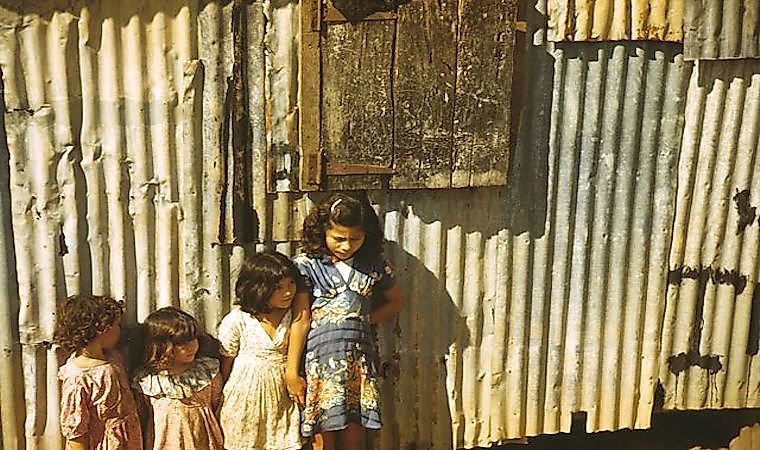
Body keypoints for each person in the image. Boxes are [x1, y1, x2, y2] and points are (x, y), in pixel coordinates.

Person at [287, 193, 405, 450]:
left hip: (357, 364)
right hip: (319, 364)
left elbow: (396, 301)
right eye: (338, 238)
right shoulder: (307, 266)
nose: (346, 245)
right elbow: (301, 318)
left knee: (354, 433)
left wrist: (361, 321)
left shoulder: (374, 266)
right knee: (322, 436)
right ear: (322, 232)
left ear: (366, 236)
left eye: (355, 239)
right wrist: (291, 371)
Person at [217, 251, 303, 450]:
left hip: (282, 398)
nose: (288, 292)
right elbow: (226, 362)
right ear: (258, 289)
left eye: (291, 284)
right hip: (245, 399)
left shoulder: (295, 317)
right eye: (278, 288)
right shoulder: (238, 319)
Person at [55, 294, 143, 450]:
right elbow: (76, 431)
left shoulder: (114, 357)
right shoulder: (78, 377)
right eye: (117, 326)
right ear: (102, 330)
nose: (120, 331)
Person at [132, 307, 224, 450]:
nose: (191, 346)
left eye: (193, 339)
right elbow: (142, 414)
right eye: (182, 343)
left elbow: (217, 403)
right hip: (164, 441)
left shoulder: (206, 372)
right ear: (162, 347)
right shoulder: (147, 381)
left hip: (201, 440)